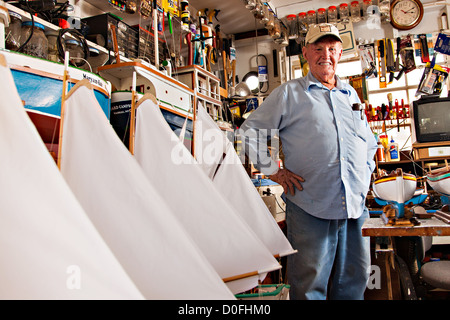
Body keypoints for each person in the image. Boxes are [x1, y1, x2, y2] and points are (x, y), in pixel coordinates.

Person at [239, 23, 377, 300]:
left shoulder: (350, 93)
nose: (325, 54)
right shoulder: (289, 93)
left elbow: (369, 142)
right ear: (305, 53)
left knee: (355, 279)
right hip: (310, 204)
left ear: (340, 52)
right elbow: (250, 131)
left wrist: (366, 171)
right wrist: (273, 171)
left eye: (332, 49)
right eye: (318, 48)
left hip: (354, 204)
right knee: (310, 284)